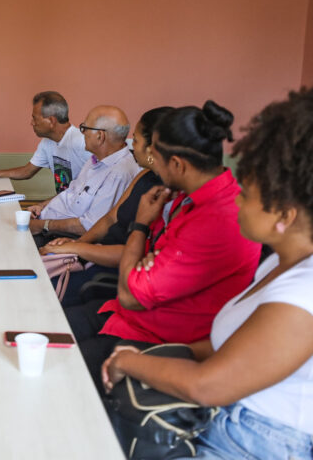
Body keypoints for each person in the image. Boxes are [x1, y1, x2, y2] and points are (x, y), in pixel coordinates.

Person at [102, 89, 313, 460]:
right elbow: (226, 350)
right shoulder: (279, 264)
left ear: (285, 215)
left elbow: (208, 386)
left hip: (251, 442)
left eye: (247, 195)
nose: (237, 201)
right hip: (224, 422)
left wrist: (128, 360)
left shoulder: (304, 294)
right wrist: (160, 356)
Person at [67, 101, 261, 393]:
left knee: (60, 364)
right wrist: (145, 262)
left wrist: (140, 225)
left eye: (154, 154)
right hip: (129, 315)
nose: (149, 160)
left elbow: (132, 294)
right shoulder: (189, 198)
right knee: (50, 326)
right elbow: (146, 261)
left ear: (177, 164)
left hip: (159, 339)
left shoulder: (214, 218)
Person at [38, 107, 171, 305]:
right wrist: (76, 245)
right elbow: (111, 217)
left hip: (111, 269)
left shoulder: (163, 193)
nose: (131, 145)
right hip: (94, 251)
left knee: (40, 291)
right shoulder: (144, 175)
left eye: (135, 140)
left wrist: (76, 247)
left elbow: (133, 251)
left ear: (152, 149)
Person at [28, 105, 139, 242]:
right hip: (44, 222)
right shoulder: (96, 159)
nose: (82, 133)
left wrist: (43, 225)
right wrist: (41, 206)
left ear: (100, 136)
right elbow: (71, 192)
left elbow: (89, 226)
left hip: (59, 236)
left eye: (84, 128)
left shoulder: (119, 173)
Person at [0, 91, 90, 194]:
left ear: (51, 121)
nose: (31, 123)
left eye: (34, 118)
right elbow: (27, 171)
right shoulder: (47, 142)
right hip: (63, 206)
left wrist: (44, 205)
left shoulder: (83, 142)